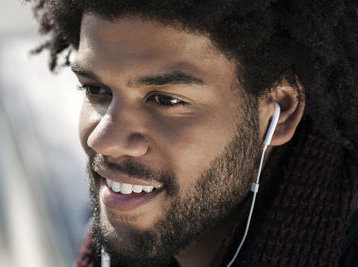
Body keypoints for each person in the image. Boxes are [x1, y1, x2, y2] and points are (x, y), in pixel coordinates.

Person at [28, 0, 358, 266]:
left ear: (281, 112)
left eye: (165, 100)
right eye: (96, 90)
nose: (104, 140)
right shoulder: (119, 216)